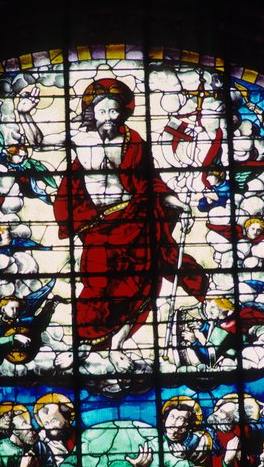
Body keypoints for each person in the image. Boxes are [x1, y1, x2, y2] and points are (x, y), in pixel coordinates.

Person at [15, 77, 208, 349]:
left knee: (140, 280)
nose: (108, 117)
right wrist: (24, 114)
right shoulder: (79, 137)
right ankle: (87, 340)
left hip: (132, 218)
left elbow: (150, 181)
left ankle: (117, 342)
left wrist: (179, 204)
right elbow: (40, 143)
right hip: (97, 224)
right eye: (102, 110)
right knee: (96, 282)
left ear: (123, 112)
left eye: (114, 111)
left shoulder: (133, 140)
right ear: (91, 112)